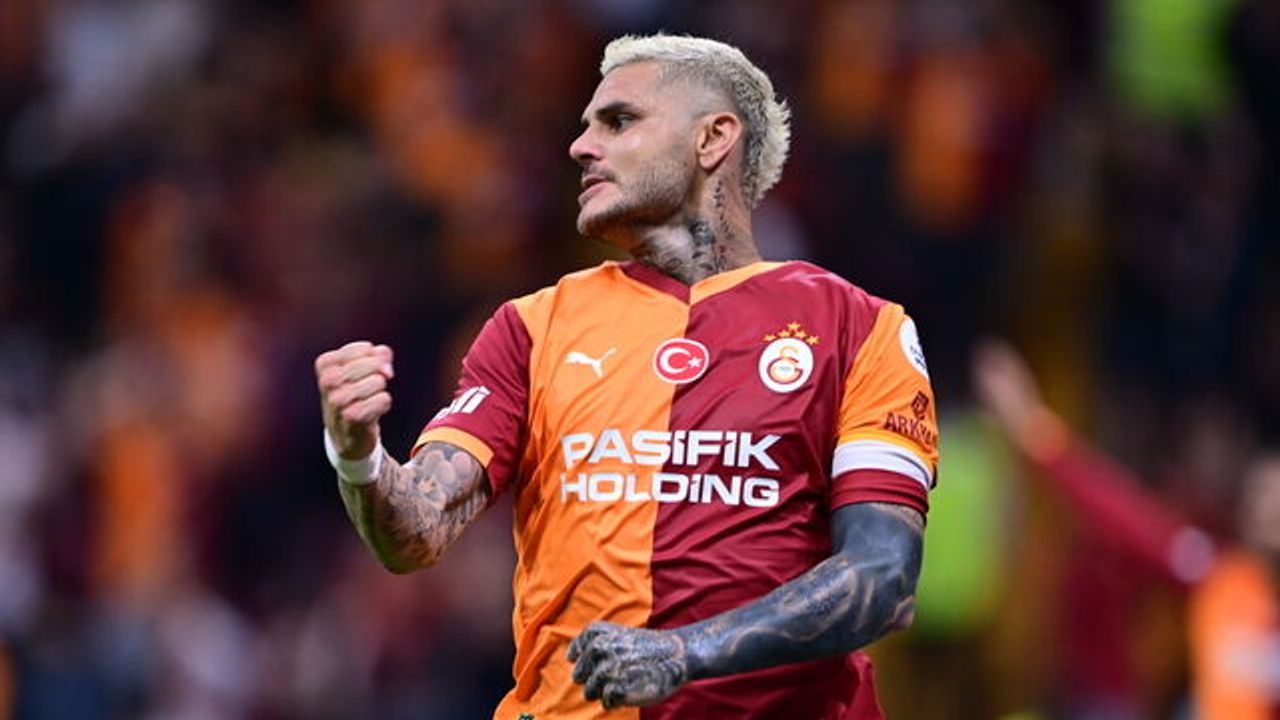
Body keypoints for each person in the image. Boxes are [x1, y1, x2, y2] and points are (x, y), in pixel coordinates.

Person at [314, 34, 939, 719]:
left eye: (618, 121)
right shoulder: (532, 328)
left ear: (712, 139)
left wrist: (685, 653)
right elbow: (415, 533)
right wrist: (357, 454)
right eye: (586, 125)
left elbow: (883, 578)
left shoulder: (858, 329)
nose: (581, 147)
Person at [973, 340, 1280, 720]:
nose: (1267, 514)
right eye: (1261, 500)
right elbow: (1125, 517)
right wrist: (1035, 431)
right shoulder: (1217, 572)